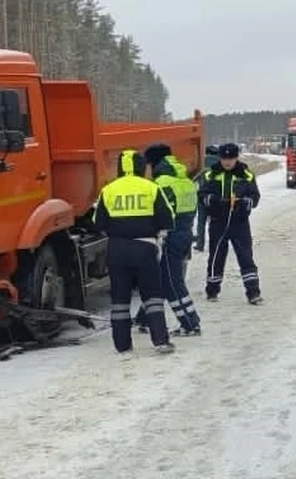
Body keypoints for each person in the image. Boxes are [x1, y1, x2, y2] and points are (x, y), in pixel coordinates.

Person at [93, 149, 176, 355]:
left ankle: (122, 345)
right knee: (152, 296)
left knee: (119, 299)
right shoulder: (151, 188)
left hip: (117, 249)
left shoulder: (108, 190)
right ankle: (160, 341)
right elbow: (168, 218)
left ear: (121, 167)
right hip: (145, 247)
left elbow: (98, 222)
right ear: (141, 167)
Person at [141, 143, 202, 336]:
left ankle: (190, 323)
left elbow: (159, 215)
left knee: (171, 283)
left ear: (153, 163)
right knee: (161, 279)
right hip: (184, 234)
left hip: (170, 238)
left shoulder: (162, 184)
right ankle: (144, 319)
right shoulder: (184, 180)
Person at [198, 142, 262, 304]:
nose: (227, 162)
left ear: (236, 158)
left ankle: (253, 292)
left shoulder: (246, 174)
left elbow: (255, 197)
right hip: (218, 221)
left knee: (245, 257)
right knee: (216, 256)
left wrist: (246, 202)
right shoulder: (210, 174)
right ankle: (212, 290)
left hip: (239, 222)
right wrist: (212, 200)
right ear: (220, 158)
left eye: (231, 158)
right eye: (224, 158)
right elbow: (202, 195)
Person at [193, 144, 220, 252]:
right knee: (214, 223)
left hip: (202, 197)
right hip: (215, 198)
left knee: (201, 223)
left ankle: (200, 245)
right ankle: (216, 244)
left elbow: (194, 179)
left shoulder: (201, 163)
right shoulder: (220, 164)